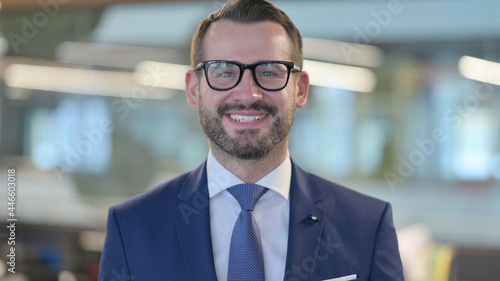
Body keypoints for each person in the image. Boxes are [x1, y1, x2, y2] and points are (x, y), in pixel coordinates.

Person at [98, 0, 404, 280]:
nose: (248, 94)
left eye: (270, 72)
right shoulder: (132, 228)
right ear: (194, 90)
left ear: (300, 90)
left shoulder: (367, 227)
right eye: (224, 71)